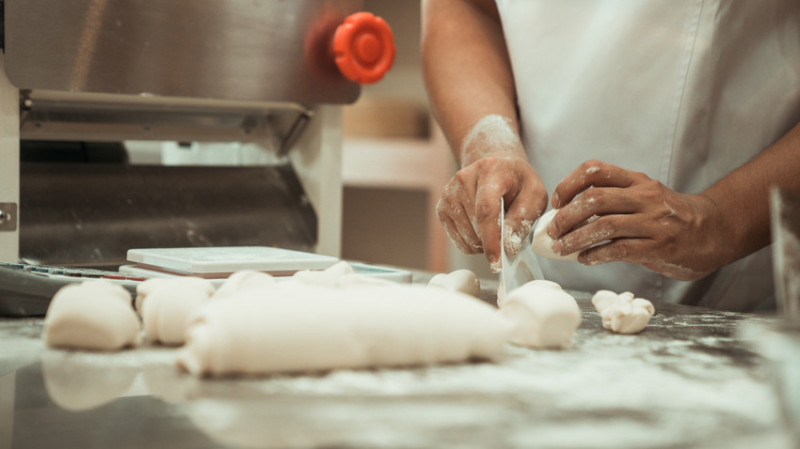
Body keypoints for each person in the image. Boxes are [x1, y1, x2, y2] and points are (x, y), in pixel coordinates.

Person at [421, 0, 800, 311]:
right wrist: (493, 144)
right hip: (540, 294)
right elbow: (466, 9)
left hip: (746, 288)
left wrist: (721, 221)